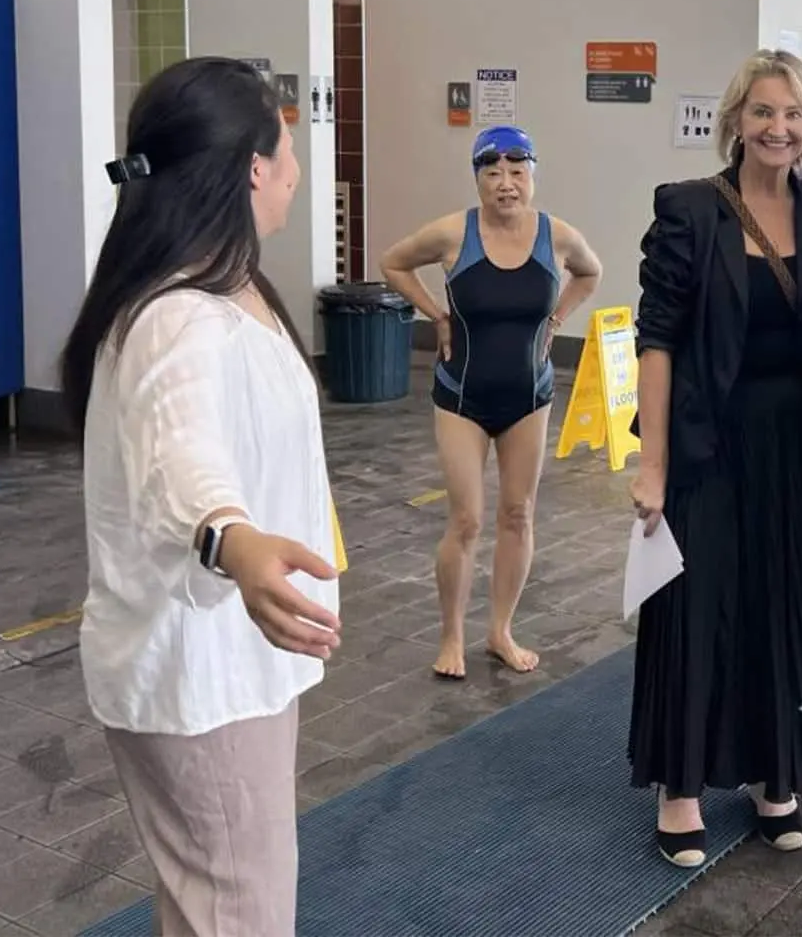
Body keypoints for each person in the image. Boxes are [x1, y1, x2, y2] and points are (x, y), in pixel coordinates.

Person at [58, 56, 343, 936]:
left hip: (234, 662)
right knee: (240, 907)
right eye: (287, 148)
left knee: (215, 900)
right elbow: (180, 459)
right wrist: (232, 539)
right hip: (199, 674)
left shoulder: (226, 283)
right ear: (253, 167)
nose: (297, 170)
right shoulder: (179, 317)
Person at [627, 49, 802, 868]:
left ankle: (776, 772)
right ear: (736, 121)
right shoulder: (691, 210)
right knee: (699, 604)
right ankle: (682, 785)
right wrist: (651, 462)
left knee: (787, 600)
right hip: (708, 437)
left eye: (794, 114)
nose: (779, 128)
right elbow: (655, 341)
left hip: (801, 443)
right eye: (764, 112)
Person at [379, 126, 603, 679]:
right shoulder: (454, 233)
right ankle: (451, 636)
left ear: (533, 176)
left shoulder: (558, 237)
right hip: (462, 395)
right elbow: (393, 262)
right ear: (478, 179)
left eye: (517, 173)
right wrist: (435, 314)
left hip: (530, 395)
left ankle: (500, 629)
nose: (506, 185)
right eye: (493, 174)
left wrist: (556, 320)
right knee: (466, 519)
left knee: (517, 513)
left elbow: (590, 273)